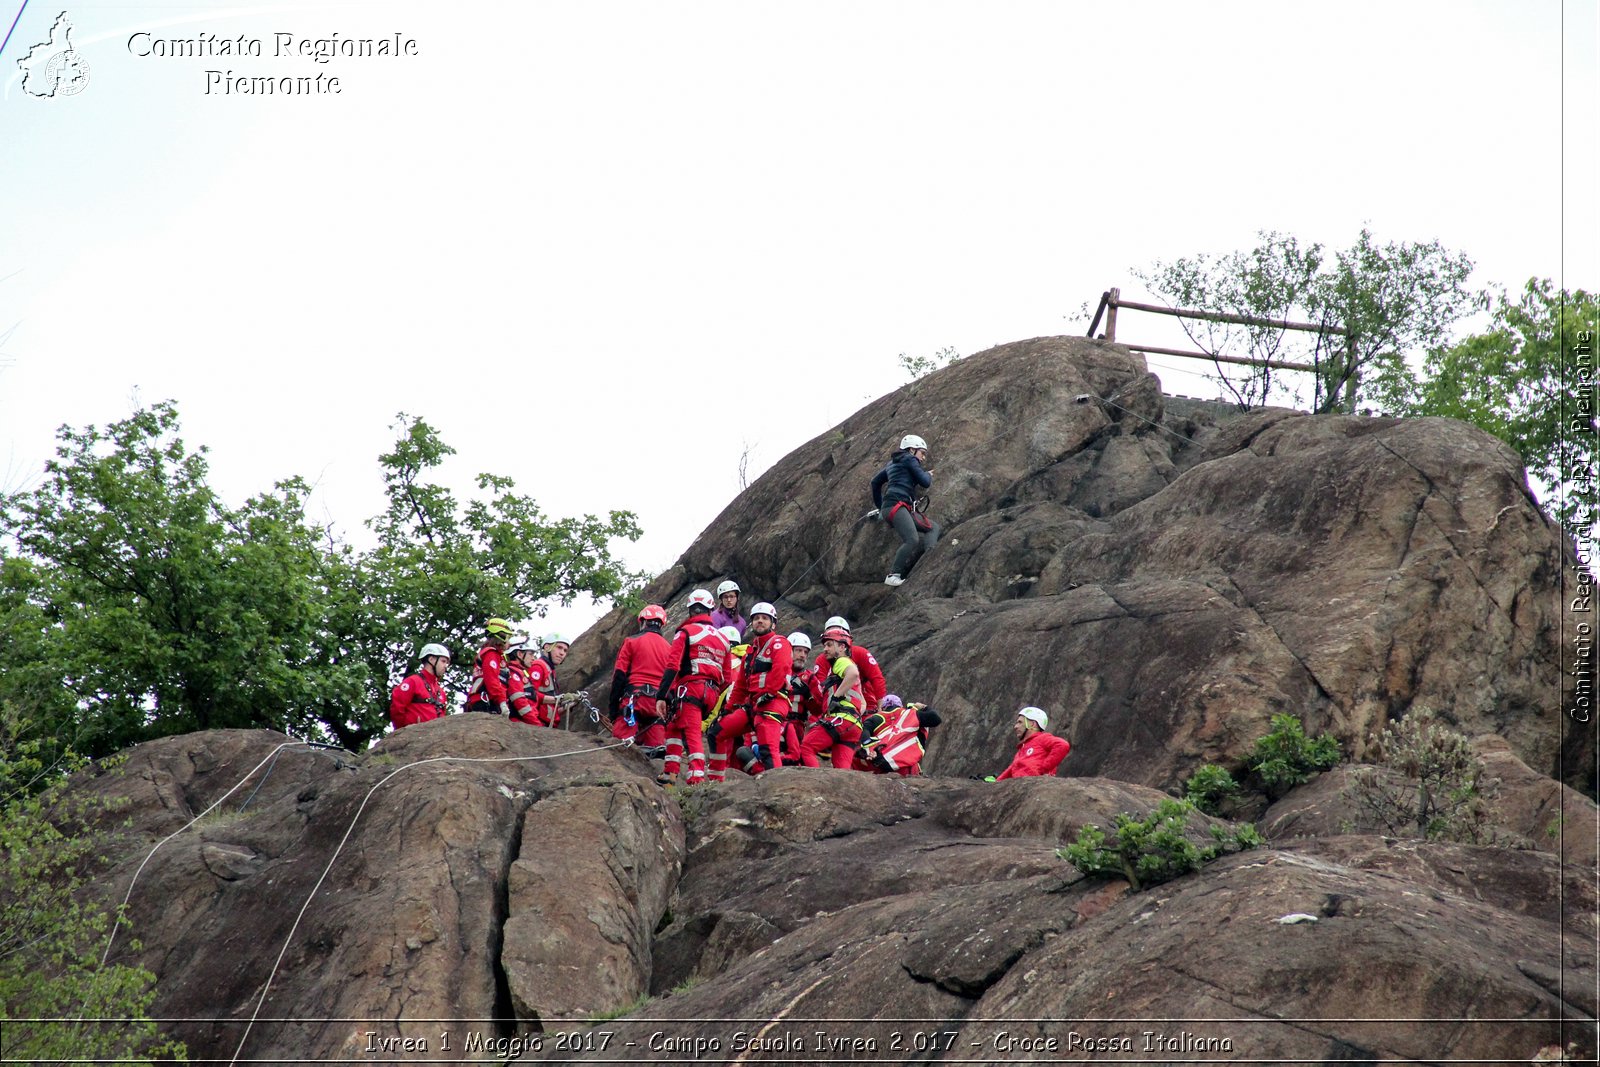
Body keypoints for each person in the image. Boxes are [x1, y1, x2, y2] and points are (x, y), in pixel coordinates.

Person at [653, 591, 732, 785]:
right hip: (711, 692)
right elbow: (728, 678)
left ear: (690, 610)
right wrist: (712, 692)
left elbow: (673, 666)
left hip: (690, 689)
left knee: (692, 732)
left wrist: (662, 696)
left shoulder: (685, 632)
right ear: (710, 609)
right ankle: (670, 772)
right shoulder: (724, 640)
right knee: (673, 725)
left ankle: (696, 779)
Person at [710, 602, 792, 776]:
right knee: (716, 732)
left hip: (773, 703)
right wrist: (727, 710)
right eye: (756, 618)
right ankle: (715, 777)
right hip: (754, 705)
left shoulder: (779, 643)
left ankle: (777, 789)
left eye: (764, 618)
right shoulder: (750, 652)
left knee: (768, 750)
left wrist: (769, 693)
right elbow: (740, 687)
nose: (759, 621)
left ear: (773, 623)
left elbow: (781, 668)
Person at [870, 433, 940, 586]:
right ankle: (893, 575)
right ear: (911, 450)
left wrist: (881, 507)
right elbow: (925, 482)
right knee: (912, 539)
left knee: (933, 527)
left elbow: (875, 483)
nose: (923, 457)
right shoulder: (910, 459)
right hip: (897, 506)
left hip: (895, 507)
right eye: (922, 453)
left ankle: (929, 561)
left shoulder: (892, 463)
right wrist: (927, 475)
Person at [798, 626, 866, 768]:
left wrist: (836, 697)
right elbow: (863, 702)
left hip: (840, 719)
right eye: (824, 645)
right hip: (854, 726)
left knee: (806, 747)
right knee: (842, 768)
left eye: (829, 645)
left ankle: (815, 785)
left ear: (842, 647)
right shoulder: (844, 667)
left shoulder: (840, 662)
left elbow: (853, 673)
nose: (825, 649)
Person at [610, 606, 674, 752]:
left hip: (634, 700)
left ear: (643, 622)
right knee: (657, 752)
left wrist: (613, 710)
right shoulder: (669, 648)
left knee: (620, 748)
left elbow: (619, 676)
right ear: (661, 624)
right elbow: (672, 681)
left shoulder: (631, 641)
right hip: (657, 705)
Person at [858, 695, 942, 776]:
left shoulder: (874, 718)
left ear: (883, 707)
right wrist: (924, 707)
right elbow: (936, 719)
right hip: (907, 767)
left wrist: (870, 751)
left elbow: (864, 736)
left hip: (881, 764)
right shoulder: (911, 714)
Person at [818, 616, 887, 712]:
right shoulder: (822, 660)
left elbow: (876, 678)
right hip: (837, 711)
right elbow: (820, 689)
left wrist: (881, 708)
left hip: (868, 708)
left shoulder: (860, 653)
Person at [995, 706, 1071, 779]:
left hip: (1035, 786)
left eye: (1020, 722)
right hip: (1019, 786)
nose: (1016, 726)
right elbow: (1011, 770)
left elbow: (1062, 745)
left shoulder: (1042, 738)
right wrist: (996, 783)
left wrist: (1043, 770)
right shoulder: (1022, 748)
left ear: (1032, 724)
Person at [390, 642, 451, 729]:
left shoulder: (441, 692)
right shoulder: (413, 682)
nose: (445, 666)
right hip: (412, 737)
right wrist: (403, 732)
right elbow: (397, 709)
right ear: (431, 659)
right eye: (443, 661)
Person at [524, 633, 577, 727]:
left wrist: (568, 704)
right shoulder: (538, 666)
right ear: (547, 647)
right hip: (537, 723)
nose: (562, 653)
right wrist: (559, 699)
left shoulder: (550, 670)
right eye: (559, 647)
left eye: (565, 650)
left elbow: (551, 708)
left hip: (547, 724)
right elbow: (529, 694)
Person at [465, 618, 516, 714]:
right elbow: (492, 680)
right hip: (485, 701)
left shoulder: (496, 655)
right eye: (508, 637)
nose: (510, 642)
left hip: (488, 699)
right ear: (501, 636)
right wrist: (502, 702)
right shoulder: (490, 654)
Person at [504, 636, 543, 726]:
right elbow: (520, 702)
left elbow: (533, 696)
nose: (533, 658)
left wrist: (557, 699)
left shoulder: (520, 673)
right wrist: (537, 725)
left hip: (525, 723)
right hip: (518, 724)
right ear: (520, 654)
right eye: (531, 654)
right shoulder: (513, 674)